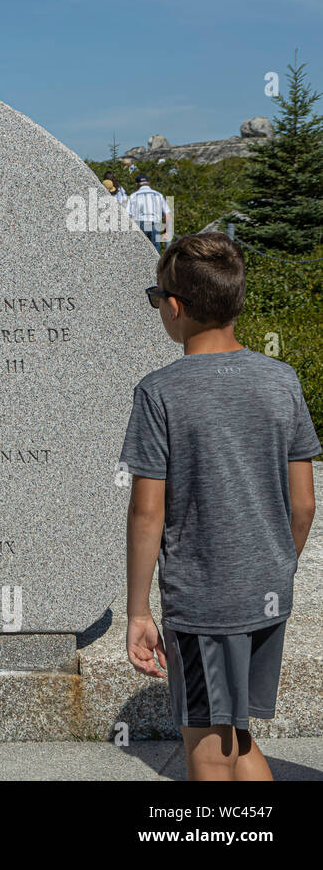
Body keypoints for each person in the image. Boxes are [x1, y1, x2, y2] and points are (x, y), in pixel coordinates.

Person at [120, 232, 318, 781]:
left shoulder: (160, 391)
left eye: (156, 298)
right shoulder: (282, 380)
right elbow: (303, 504)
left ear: (175, 306)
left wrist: (139, 612)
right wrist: (276, 563)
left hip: (204, 600)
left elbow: (147, 513)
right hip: (267, 593)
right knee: (237, 733)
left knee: (207, 746)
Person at [127, 175, 169, 252]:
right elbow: (167, 214)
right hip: (155, 225)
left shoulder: (133, 196)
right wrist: (166, 231)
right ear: (149, 183)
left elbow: (129, 216)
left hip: (140, 225)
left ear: (137, 184)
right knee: (155, 252)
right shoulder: (158, 195)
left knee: (141, 252)